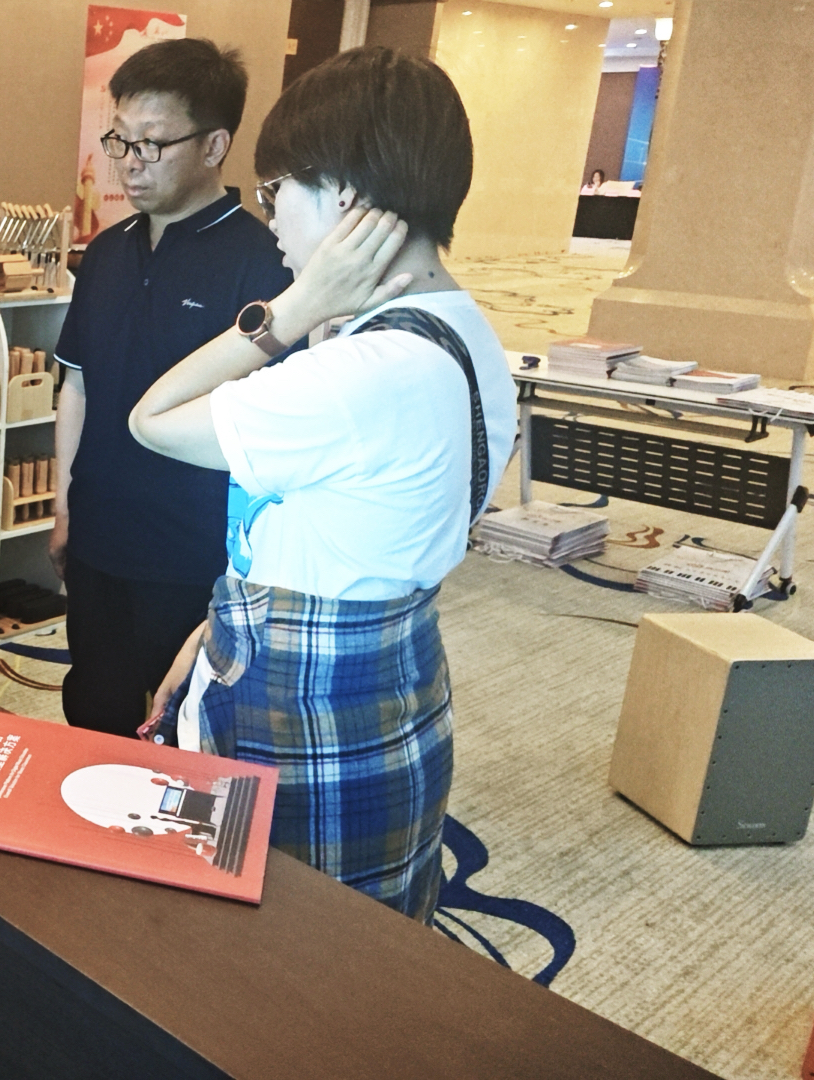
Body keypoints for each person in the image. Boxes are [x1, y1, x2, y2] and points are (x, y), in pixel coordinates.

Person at [127, 46, 517, 921]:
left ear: (342, 195)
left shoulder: (362, 375)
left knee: (270, 947)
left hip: (304, 714)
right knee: (354, 949)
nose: (269, 221)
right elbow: (343, 535)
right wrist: (221, 626)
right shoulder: (461, 330)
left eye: (276, 192)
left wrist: (292, 310)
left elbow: (152, 418)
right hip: (391, 685)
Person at [50, 38, 294, 740]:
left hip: (194, 554)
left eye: (152, 144)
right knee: (93, 710)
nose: (130, 162)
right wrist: (64, 506)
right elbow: (78, 386)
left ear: (215, 144)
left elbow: (271, 429)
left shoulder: (262, 264)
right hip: (98, 535)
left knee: (180, 727)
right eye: (119, 141)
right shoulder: (105, 252)